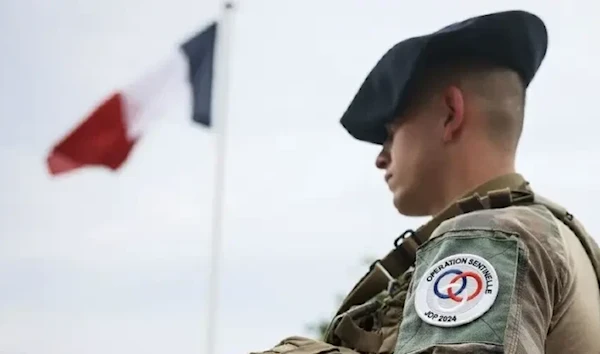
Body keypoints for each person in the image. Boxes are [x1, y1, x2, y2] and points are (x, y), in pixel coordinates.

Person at [250, 9, 600, 354]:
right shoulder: (560, 237)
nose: (381, 157)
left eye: (390, 133)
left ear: (451, 113)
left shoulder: (487, 237)